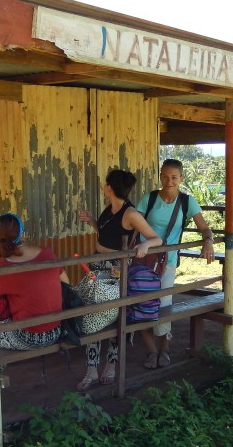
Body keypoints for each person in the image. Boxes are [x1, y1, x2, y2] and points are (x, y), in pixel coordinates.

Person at [75, 169, 162, 390]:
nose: (104, 186)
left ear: (111, 187)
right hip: (97, 265)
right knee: (91, 311)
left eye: (106, 184)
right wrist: (92, 221)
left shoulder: (130, 213)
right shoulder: (109, 209)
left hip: (115, 270)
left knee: (114, 316)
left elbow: (156, 238)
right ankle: (92, 369)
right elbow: (105, 234)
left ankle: (111, 366)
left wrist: (144, 244)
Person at [134, 158, 215, 369]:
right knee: (142, 303)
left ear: (181, 178)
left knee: (163, 305)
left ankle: (165, 348)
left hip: (167, 262)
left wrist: (208, 241)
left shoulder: (187, 202)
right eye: (165, 176)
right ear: (160, 176)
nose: (169, 181)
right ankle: (152, 351)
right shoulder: (149, 199)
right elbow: (134, 226)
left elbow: (204, 228)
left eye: (174, 177)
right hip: (143, 260)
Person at [0, 212, 68, 350]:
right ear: (23, 234)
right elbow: (66, 282)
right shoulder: (48, 253)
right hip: (56, 330)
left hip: (28, 336)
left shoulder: (1, 268)